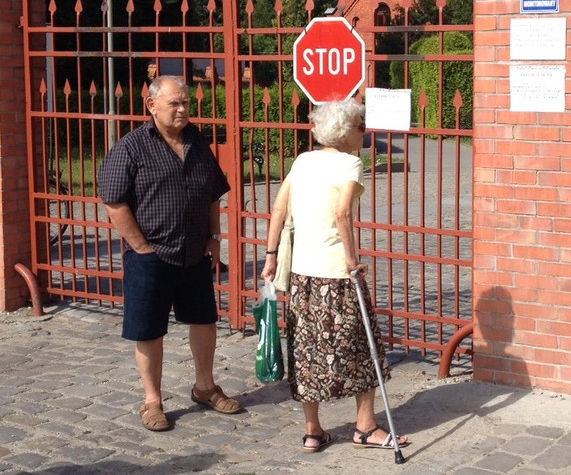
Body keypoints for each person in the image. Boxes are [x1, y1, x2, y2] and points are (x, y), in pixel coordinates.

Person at [260, 99, 411, 454]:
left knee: (306, 351)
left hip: (302, 275)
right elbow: (343, 213)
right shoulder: (351, 163)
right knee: (361, 347)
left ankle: (312, 431)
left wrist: (269, 257)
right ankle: (365, 428)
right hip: (337, 275)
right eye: (361, 126)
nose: (364, 132)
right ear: (345, 132)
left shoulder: (303, 161)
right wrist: (351, 258)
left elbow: (280, 207)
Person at [98, 75, 243, 432]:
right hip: (152, 256)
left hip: (194, 252)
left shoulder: (196, 140)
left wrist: (213, 236)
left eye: (186, 104)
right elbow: (114, 202)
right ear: (152, 106)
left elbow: (212, 191)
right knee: (149, 331)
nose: (182, 110)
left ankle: (205, 386)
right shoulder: (131, 147)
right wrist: (141, 248)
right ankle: (152, 401)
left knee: (204, 320)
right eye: (174, 104)